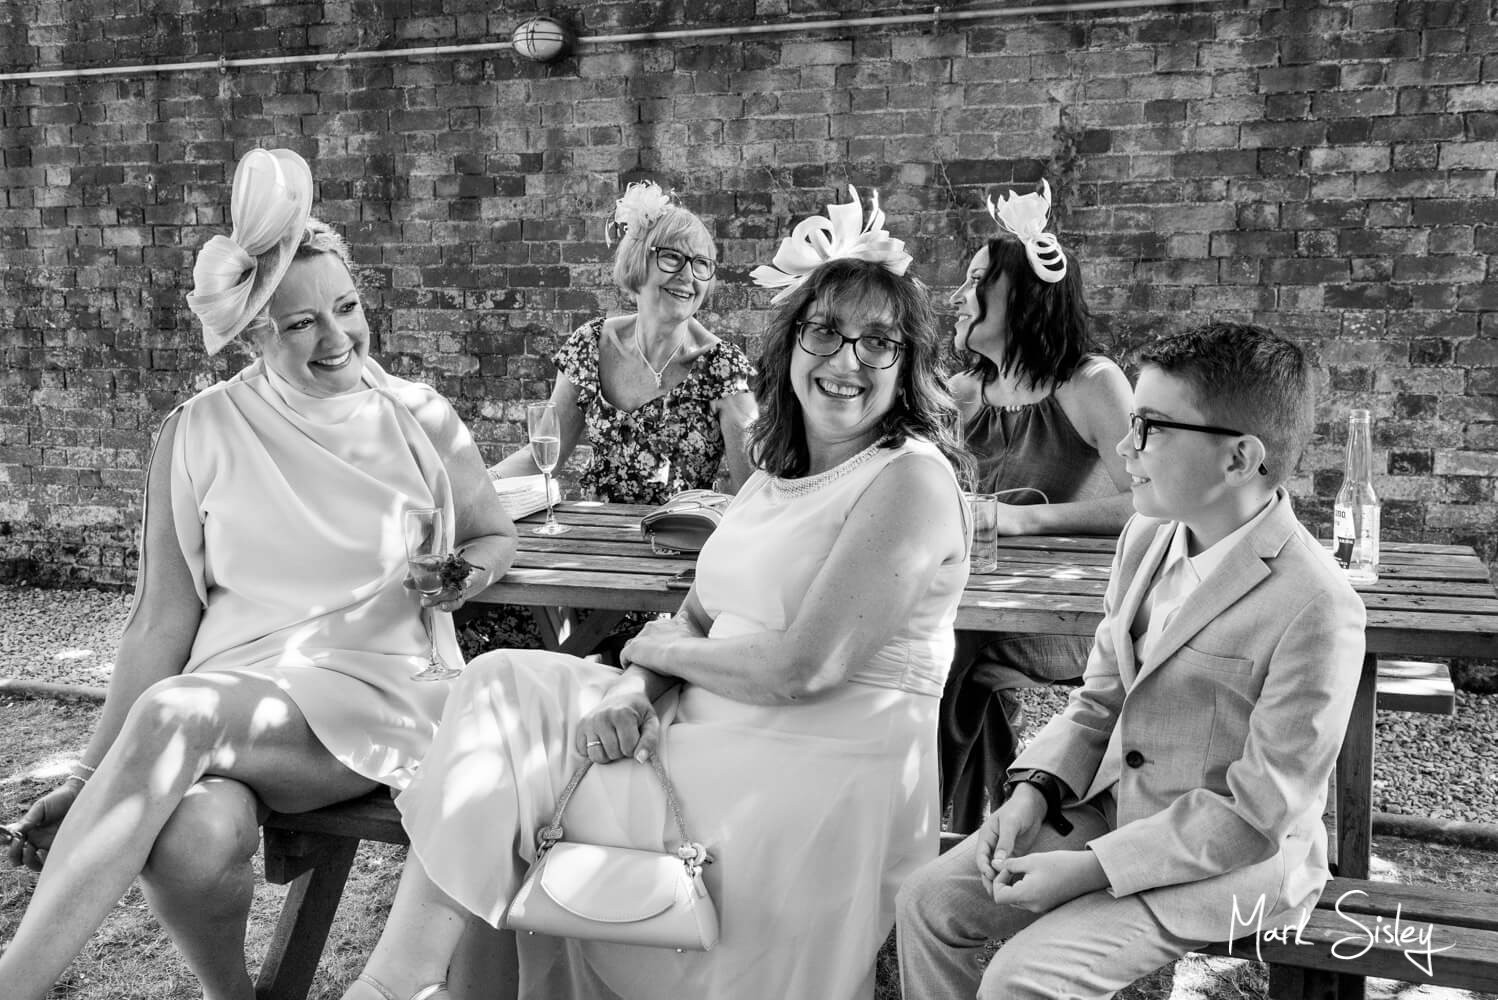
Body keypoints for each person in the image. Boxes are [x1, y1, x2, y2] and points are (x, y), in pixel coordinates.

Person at [341, 188, 970, 1000]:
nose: (846, 360)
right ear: (791, 345)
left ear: (908, 364)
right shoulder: (776, 477)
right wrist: (635, 688)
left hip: (809, 772)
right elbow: (698, 613)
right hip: (710, 724)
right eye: (824, 331)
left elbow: (802, 668)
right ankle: (404, 982)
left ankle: (397, 986)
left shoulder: (910, 479)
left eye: (878, 342)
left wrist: (656, 650)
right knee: (496, 692)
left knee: (505, 771)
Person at [0, 148, 515, 1000]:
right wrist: (91, 778)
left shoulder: (420, 416)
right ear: (253, 332)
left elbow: (496, 534)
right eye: (301, 322)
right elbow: (159, 621)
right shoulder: (196, 430)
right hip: (228, 703)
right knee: (191, 839)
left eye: (346, 308)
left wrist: (467, 576)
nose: (337, 339)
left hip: (372, 696)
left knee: (177, 711)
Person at [897, 322, 1367, 1000]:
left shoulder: (1317, 605)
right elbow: (1098, 701)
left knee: (1020, 979)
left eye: (1150, 427)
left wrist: (1091, 867)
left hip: (1233, 862)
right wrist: (1034, 792)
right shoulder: (1146, 536)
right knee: (928, 903)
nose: (1124, 446)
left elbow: (1259, 813)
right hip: (1110, 810)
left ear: (1239, 459)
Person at [941, 180, 1135, 832]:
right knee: (920, 637)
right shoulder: (965, 393)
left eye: (977, 282)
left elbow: (1157, 503)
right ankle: (953, 832)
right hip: (976, 606)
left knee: (939, 650)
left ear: (1024, 297)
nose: (958, 296)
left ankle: (939, 824)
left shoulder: (1091, 384)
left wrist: (1024, 517)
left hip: (1067, 622)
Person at [491, 180, 757, 503]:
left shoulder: (722, 367)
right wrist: (476, 483)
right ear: (637, 261)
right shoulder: (591, 346)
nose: (688, 276)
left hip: (681, 533)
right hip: (598, 531)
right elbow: (540, 460)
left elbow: (753, 494)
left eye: (701, 263)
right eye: (672, 257)